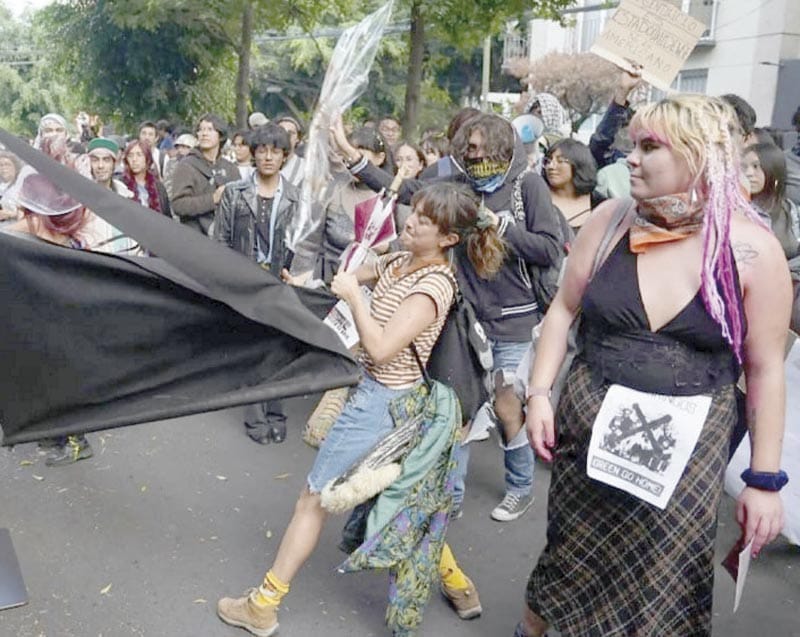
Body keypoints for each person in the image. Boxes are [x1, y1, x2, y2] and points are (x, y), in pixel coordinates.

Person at [519, 94, 790, 637]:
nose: (631, 158)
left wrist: (763, 481)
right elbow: (563, 310)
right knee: (570, 561)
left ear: (698, 155)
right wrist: (539, 394)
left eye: (649, 147)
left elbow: (765, 369)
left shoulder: (753, 251)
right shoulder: (610, 220)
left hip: (687, 456)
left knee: (663, 579)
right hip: (587, 439)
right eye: (632, 145)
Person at [217, 182, 506, 637]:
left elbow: (383, 348)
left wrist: (353, 295)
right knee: (406, 502)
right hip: (380, 399)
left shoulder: (434, 285)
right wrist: (329, 280)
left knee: (313, 499)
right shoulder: (401, 260)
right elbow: (358, 271)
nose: (412, 222)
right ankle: (458, 585)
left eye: (426, 221)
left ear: (449, 239)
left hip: (383, 405)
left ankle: (263, 605)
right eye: (415, 212)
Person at [341, 113, 565, 522]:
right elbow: (409, 190)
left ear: (502, 147)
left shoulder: (527, 186)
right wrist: (352, 156)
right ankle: (451, 496)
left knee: (507, 406)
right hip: (466, 321)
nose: (472, 156)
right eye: (468, 149)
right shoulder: (460, 185)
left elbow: (549, 248)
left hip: (514, 321)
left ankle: (520, 488)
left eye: (478, 148)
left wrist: (498, 226)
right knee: (456, 409)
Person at [214, 124, 316, 444]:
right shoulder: (235, 192)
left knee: (280, 350)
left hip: (280, 283)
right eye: (262, 150)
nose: (268, 157)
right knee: (252, 348)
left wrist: (296, 274)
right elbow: (221, 241)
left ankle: (276, 413)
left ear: (285, 156)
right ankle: (256, 418)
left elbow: (305, 245)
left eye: (275, 151)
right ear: (253, 154)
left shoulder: (296, 197)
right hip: (245, 282)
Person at [3, 173, 96, 465]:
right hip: (53, 319)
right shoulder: (68, 234)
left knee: (55, 380)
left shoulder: (22, 231)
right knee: (52, 378)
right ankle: (53, 434)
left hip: (45, 320)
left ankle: (75, 441)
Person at [171, 114, 240, 235]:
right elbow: (178, 205)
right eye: (201, 130)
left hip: (225, 238)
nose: (204, 134)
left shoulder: (230, 169)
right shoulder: (187, 166)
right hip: (195, 237)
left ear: (220, 135)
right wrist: (213, 199)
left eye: (210, 129)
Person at [542, 139, 597, 230]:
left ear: (578, 164)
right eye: (548, 161)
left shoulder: (600, 204)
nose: (550, 166)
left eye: (560, 161)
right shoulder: (537, 198)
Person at [121, 140, 171, 217]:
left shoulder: (158, 186)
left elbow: (167, 216)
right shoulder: (121, 185)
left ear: (147, 158)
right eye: (130, 155)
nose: (134, 159)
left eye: (139, 155)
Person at [276, 115, 305, 186]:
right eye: (281, 132)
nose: (286, 136)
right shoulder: (264, 163)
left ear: (298, 138)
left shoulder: (305, 167)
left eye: (290, 133)